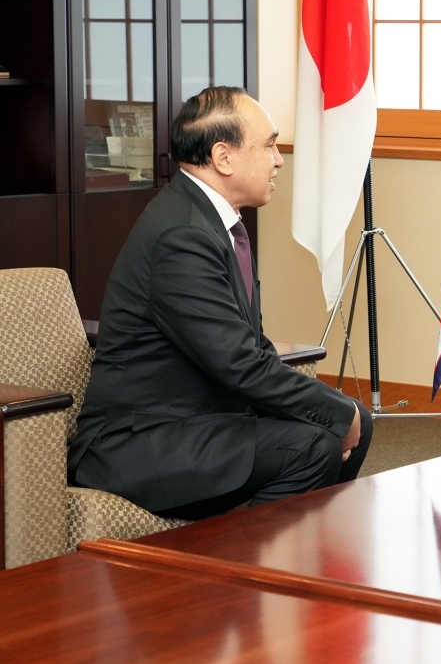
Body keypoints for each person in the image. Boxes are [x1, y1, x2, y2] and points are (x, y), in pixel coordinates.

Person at [68, 86, 372, 519]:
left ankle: (296, 552)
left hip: (200, 424)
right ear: (223, 157)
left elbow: (252, 347)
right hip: (137, 444)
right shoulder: (182, 235)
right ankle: (248, 559)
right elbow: (240, 364)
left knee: (352, 420)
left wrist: (338, 411)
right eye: (268, 146)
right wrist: (333, 410)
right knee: (314, 442)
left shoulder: (213, 223)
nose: (279, 160)